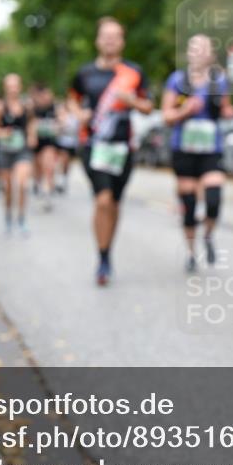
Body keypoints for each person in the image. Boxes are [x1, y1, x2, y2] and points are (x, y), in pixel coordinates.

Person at [69, 17, 153, 285]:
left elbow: (149, 106)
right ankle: (102, 256)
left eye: (115, 36)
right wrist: (78, 113)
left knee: (114, 202)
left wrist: (133, 101)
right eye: (105, 35)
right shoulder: (85, 73)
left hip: (122, 147)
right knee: (102, 200)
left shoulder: (134, 72)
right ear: (97, 39)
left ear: (122, 41)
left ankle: (108, 251)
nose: (110, 40)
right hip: (93, 145)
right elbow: (71, 99)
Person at [161, 34, 233, 272]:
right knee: (190, 204)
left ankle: (208, 235)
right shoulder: (177, 80)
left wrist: (228, 112)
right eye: (194, 47)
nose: (199, 52)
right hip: (184, 148)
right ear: (188, 52)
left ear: (211, 54)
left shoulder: (219, 80)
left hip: (210, 148)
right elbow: (167, 116)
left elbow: (224, 106)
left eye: (204, 48)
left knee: (213, 199)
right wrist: (185, 110)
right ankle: (192, 253)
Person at [0, 74, 36, 236]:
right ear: (5, 87)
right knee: (8, 188)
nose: (13, 89)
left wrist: (31, 136)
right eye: (10, 86)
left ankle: (21, 219)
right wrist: (2, 133)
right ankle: (8, 218)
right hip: (5, 151)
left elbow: (31, 123)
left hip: (22, 150)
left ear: (20, 86)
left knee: (23, 184)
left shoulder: (26, 105)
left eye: (16, 85)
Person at [30, 83, 60, 211]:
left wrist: (59, 126)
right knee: (37, 167)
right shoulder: (33, 108)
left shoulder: (55, 108)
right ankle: (37, 184)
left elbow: (62, 121)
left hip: (49, 142)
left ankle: (47, 193)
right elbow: (29, 124)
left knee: (48, 167)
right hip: (36, 142)